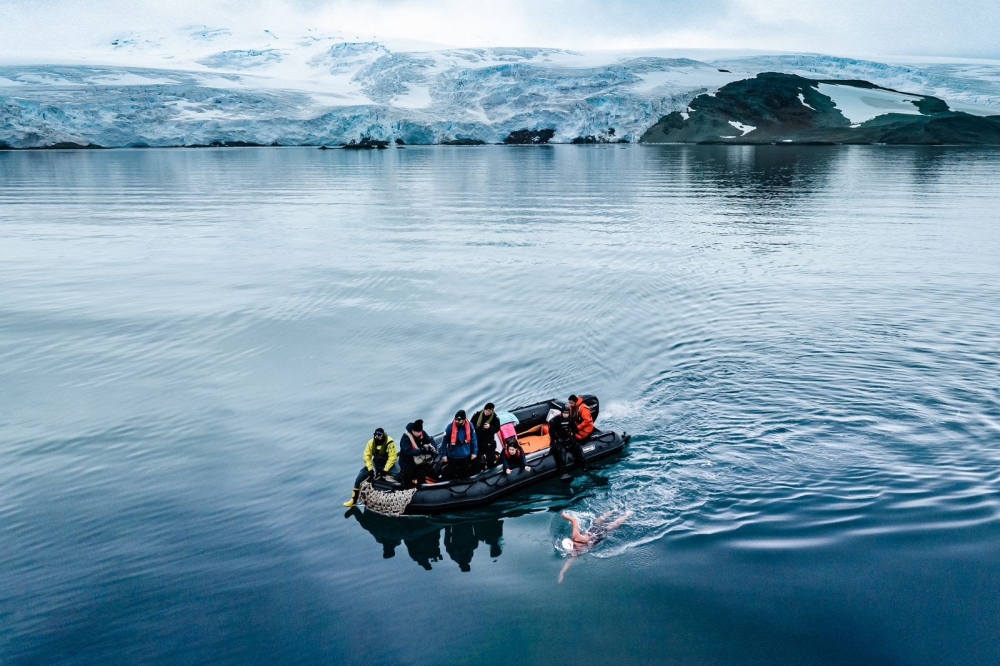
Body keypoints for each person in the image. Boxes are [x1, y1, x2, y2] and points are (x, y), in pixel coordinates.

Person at [557, 509, 633, 583]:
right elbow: (569, 562)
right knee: (598, 523)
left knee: (608, 526)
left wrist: (564, 515)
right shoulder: (575, 551)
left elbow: (574, 520)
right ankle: (617, 512)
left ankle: (623, 513)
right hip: (594, 535)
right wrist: (562, 573)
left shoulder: (576, 537)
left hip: (596, 536)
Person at [344, 428, 398, 507]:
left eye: (379, 435)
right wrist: (370, 469)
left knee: (398, 476)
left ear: (383, 435)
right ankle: (353, 500)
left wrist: (385, 470)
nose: (377, 437)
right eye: (375, 435)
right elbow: (367, 456)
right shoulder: (371, 442)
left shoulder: (390, 442)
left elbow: (392, 457)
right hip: (376, 465)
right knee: (361, 475)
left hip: (388, 466)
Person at [547, 404, 587, 477]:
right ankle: (564, 471)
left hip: (567, 438)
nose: (566, 415)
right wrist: (558, 439)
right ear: (562, 413)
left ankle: (583, 464)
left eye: (567, 413)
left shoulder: (570, 419)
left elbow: (574, 428)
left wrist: (572, 435)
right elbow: (552, 433)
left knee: (577, 447)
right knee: (561, 450)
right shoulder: (554, 421)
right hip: (556, 441)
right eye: (564, 413)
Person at [398, 419, 437, 487]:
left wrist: (433, 446)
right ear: (413, 431)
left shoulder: (422, 433)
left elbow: (430, 439)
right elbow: (408, 452)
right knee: (407, 482)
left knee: (421, 478)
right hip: (407, 463)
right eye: (418, 432)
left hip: (419, 462)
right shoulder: (405, 438)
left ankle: (423, 487)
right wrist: (421, 450)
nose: (419, 434)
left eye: (420, 432)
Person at [441, 410, 478, 480]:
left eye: (459, 420)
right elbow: (444, 441)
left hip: (465, 456)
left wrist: (474, 452)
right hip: (453, 456)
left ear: (464, 420)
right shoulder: (450, 427)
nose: (457, 421)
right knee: (451, 474)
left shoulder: (470, 426)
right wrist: (444, 455)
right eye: (456, 419)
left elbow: (474, 439)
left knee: (465, 473)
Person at [471, 402, 501, 470]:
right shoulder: (477, 415)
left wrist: (490, 427)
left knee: (490, 458)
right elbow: (471, 424)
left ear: (492, 411)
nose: (487, 412)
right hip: (478, 440)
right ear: (484, 409)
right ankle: (477, 471)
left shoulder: (495, 418)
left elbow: (497, 428)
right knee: (477, 458)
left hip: (489, 441)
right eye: (486, 410)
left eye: (489, 411)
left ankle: (491, 470)